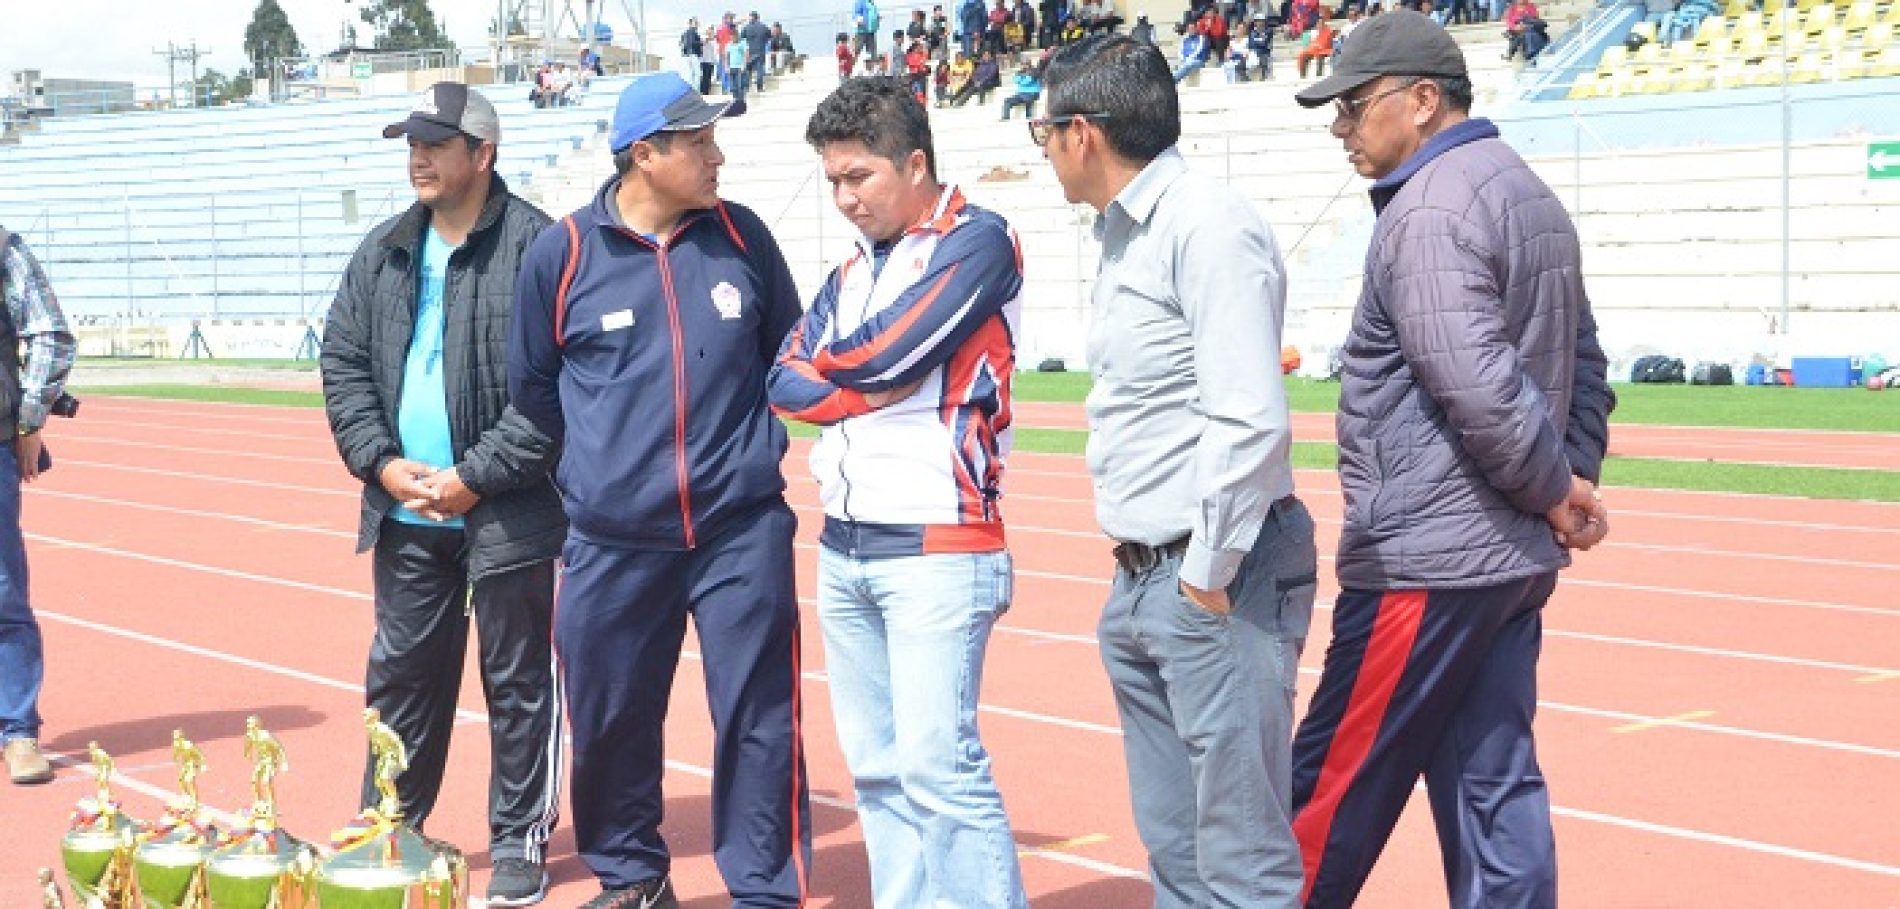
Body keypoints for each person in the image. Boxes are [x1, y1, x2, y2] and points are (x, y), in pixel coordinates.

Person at [1289, 12, 1613, 907]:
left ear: (1423, 101)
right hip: (1508, 563)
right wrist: (1569, 478)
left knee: (1329, 785)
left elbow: (1477, 385)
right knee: (1493, 787)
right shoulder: (1525, 190)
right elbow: (1585, 363)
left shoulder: (1427, 209)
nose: (1342, 130)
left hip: (1428, 561)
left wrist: (1555, 489)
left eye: (1354, 107)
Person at [507, 72, 811, 909]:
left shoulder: (742, 239)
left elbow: (786, 354)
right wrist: (608, 471)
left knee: (759, 718)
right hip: (611, 540)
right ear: (646, 154)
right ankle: (634, 878)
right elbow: (535, 390)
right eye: (700, 141)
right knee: (608, 722)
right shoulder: (563, 254)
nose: (718, 155)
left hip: (738, 532)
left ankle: (764, 890)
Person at [1033, 32, 1315, 909]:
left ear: (1082, 133)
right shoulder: (1127, 234)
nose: (1040, 149)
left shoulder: (1206, 223)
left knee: (1240, 855)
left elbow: (1250, 415)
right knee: (1179, 851)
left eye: (1041, 130)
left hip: (1212, 572)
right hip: (1146, 575)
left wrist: (1204, 576)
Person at [769, 74, 1030, 909]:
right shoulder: (853, 269)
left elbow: (889, 354)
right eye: (833, 180)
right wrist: (860, 385)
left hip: (937, 542)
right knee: (878, 772)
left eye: (859, 177)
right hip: (844, 543)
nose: (844, 198)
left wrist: (850, 372)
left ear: (915, 163)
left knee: (938, 767)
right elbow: (780, 376)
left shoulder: (979, 241)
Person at [320, 82, 565, 908]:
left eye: (435, 141)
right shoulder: (385, 247)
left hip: (507, 506)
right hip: (405, 505)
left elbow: (557, 390)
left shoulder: (540, 246)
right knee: (402, 679)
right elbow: (344, 364)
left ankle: (520, 842)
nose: (417, 156)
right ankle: (391, 822)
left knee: (517, 678)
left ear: (484, 154)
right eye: (409, 142)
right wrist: (381, 464)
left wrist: (476, 474)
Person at [0, 226, 74, 788]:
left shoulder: (4, 248)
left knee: (2, 593)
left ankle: (17, 730)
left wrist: (28, 417)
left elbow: (50, 333)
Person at [743, 11, 773, 92]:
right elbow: (770, 37)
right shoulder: (764, 27)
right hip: (760, 51)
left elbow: (742, 38)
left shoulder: (746, 27)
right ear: (758, 18)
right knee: (759, 70)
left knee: (748, 71)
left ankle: (746, 88)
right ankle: (759, 88)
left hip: (749, 52)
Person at [681, 17, 706, 88]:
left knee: (691, 73)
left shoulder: (684, 33)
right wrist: (701, 42)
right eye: (696, 23)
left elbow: (681, 43)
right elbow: (693, 42)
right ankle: (696, 90)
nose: (697, 24)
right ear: (691, 23)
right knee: (697, 73)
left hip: (687, 55)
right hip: (694, 54)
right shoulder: (693, 32)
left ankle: (691, 90)